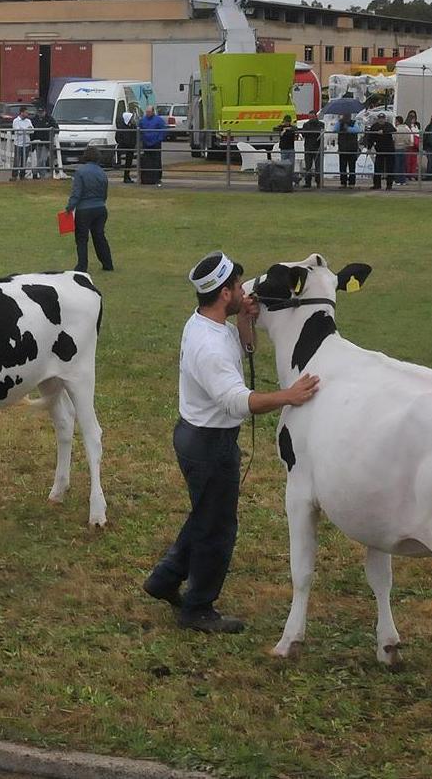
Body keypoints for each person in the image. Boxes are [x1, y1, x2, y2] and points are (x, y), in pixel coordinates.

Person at [143, 251, 319, 632]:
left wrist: (243, 323)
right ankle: (197, 608)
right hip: (209, 445)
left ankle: (165, 579)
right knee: (217, 528)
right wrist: (289, 395)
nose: (244, 289)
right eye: (237, 286)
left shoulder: (209, 324)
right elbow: (238, 401)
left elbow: (238, 353)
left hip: (200, 437)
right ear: (224, 293)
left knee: (205, 514)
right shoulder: (209, 347)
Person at [64, 146, 113, 274]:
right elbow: (104, 193)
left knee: (82, 238)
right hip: (100, 208)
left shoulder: (80, 172)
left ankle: (82, 266)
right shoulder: (102, 173)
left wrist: (70, 207)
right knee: (99, 236)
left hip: (84, 210)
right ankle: (107, 263)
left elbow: (76, 193)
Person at [365, 112, 396, 190]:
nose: (381, 120)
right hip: (379, 150)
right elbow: (370, 138)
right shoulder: (374, 126)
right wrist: (369, 148)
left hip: (389, 150)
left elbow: (393, 129)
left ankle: (389, 185)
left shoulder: (388, 125)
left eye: (382, 118)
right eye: (380, 118)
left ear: (385, 119)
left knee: (390, 168)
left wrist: (383, 131)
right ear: (378, 119)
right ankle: (377, 184)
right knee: (377, 167)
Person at [138, 105, 167, 186]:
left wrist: (158, 139)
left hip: (156, 144)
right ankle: (146, 177)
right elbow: (139, 130)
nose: (147, 113)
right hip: (146, 144)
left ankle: (158, 178)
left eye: (149, 112)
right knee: (146, 160)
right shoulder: (142, 120)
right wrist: (141, 140)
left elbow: (163, 130)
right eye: (147, 112)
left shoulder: (159, 120)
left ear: (153, 112)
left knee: (157, 160)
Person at [299, 110, 324, 189]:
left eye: (312, 117)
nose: (311, 118)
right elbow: (303, 134)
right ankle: (308, 182)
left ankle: (318, 182)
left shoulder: (321, 124)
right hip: (308, 147)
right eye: (310, 117)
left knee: (318, 167)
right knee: (308, 166)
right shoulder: (306, 124)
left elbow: (320, 133)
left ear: (315, 116)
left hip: (317, 148)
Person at [335, 113, 360, 189]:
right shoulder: (340, 123)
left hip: (352, 148)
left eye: (347, 115)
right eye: (345, 115)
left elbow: (357, 130)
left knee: (352, 167)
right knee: (342, 167)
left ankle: (352, 183)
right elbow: (334, 129)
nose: (346, 116)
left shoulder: (354, 122)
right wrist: (339, 122)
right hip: (342, 148)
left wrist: (348, 128)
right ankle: (343, 183)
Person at [115, 110, 138, 183]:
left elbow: (135, 136)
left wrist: (133, 143)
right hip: (124, 147)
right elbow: (117, 137)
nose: (132, 119)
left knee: (129, 163)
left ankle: (127, 176)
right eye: (131, 118)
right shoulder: (121, 127)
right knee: (124, 162)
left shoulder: (133, 126)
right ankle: (125, 177)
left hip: (131, 147)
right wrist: (123, 143)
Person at [11, 107, 33, 181]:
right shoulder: (16, 121)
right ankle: (14, 175)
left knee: (24, 160)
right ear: (22, 112)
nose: (27, 114)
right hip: (18, 144)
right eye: (26, 112)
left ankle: (22, 175)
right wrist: (27, 129)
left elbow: (32, 130)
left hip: (26, 143)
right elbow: (18, 131)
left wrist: (24, 130)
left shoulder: (28, 121)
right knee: (16, 160)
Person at [276, 114, 297, 181]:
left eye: (287, 121)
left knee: (291, 165)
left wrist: (286, 129)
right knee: (283, 165)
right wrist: (283, 129)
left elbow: (295, 128)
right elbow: (275, 128)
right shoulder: (281, 127)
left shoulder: (292, 128)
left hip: (291, 148)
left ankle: (290, 179)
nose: (286, 123)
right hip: (284, 148)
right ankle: (284, 179)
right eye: (285, 121)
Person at [403, 109, 421, 180]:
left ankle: (412, 175)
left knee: (414, 161)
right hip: (408, 145)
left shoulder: (416, 126)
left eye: (414, 117)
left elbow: (418, 134)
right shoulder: (406, 126)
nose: (413, 119)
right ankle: (407, 175)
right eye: (411, 117)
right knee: (407, 161)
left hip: (415, 146)